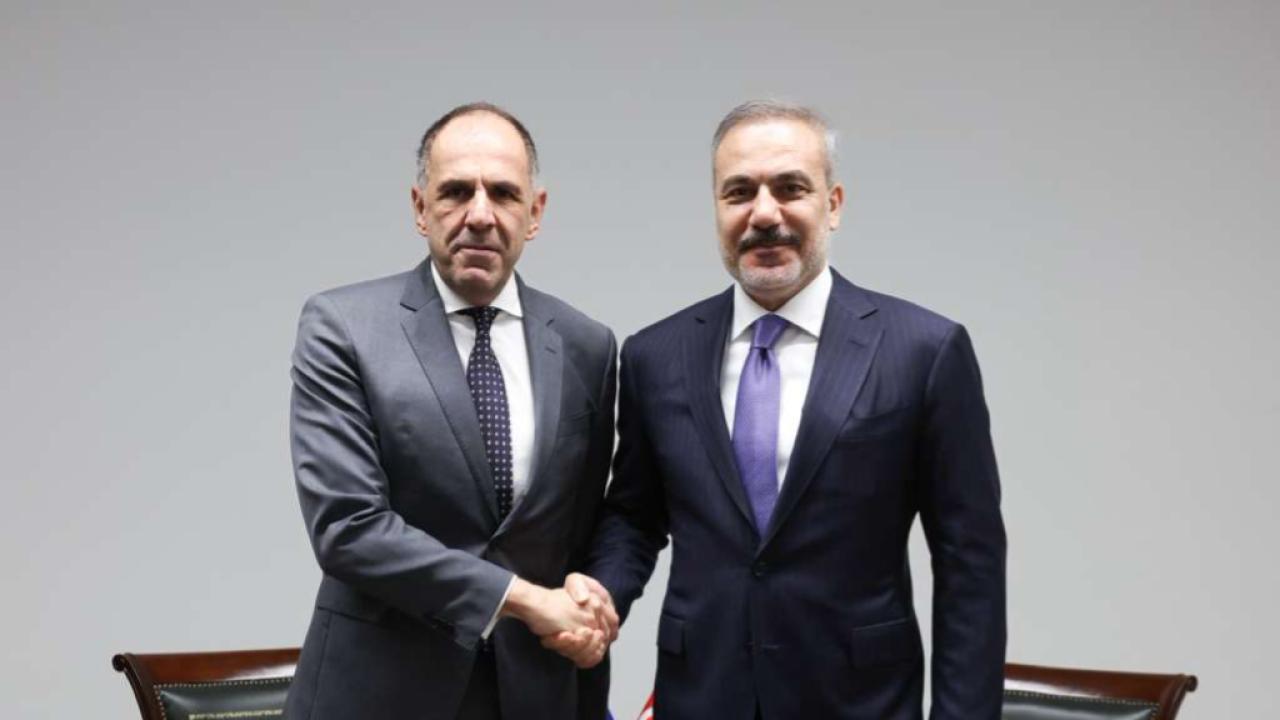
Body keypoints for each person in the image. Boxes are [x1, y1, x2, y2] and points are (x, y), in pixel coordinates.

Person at [566, 101, 1007, 719]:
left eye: (790, 188)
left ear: (834, 204)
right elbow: (635, 517)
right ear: (717, 209)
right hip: (702, 698)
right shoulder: (654, 356)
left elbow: (970, 563)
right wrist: (600, 595)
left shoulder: (923, 352)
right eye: (739, 192)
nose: (764, 213)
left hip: (861, 703)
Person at [284, 102, 618, 720]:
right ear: (420, 208)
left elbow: (584, 526)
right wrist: (523, 599)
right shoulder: (343, 327)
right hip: (379, 695)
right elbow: (348, 528)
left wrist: (589, 598)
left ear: (535, 213)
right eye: (457, 191)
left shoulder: (587, 345)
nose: (480, 215)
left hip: (536, 692)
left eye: (504, 193)